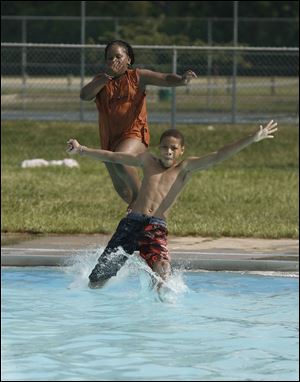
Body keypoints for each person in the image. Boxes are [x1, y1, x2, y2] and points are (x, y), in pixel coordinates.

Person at [66, 120, 278, 290]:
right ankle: (92, 300)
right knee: (98, 278)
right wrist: (82, 150)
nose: (168, 151)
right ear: (159, 148)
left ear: (181, 151)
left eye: (173, 148)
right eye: (165, 147)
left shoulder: (185, 169)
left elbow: (218, 155)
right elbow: (113, 156)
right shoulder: (146, 160)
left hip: (156, 227)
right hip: (132, 222)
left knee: (163, 269)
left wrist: (252, 138)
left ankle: (161, 303)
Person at [80, 40, 197, 211]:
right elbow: (84, 95)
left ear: (128, 59)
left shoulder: (138, 76)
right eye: (110, 58)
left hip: (134, 134)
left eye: (118, 56)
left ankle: (140, 199)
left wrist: (181, 80)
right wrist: (102, 81)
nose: (114, 61)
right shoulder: (101, 80)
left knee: (121, 158)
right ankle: (139, 211)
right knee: (121, 186)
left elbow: (164, 78)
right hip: (109, 137)